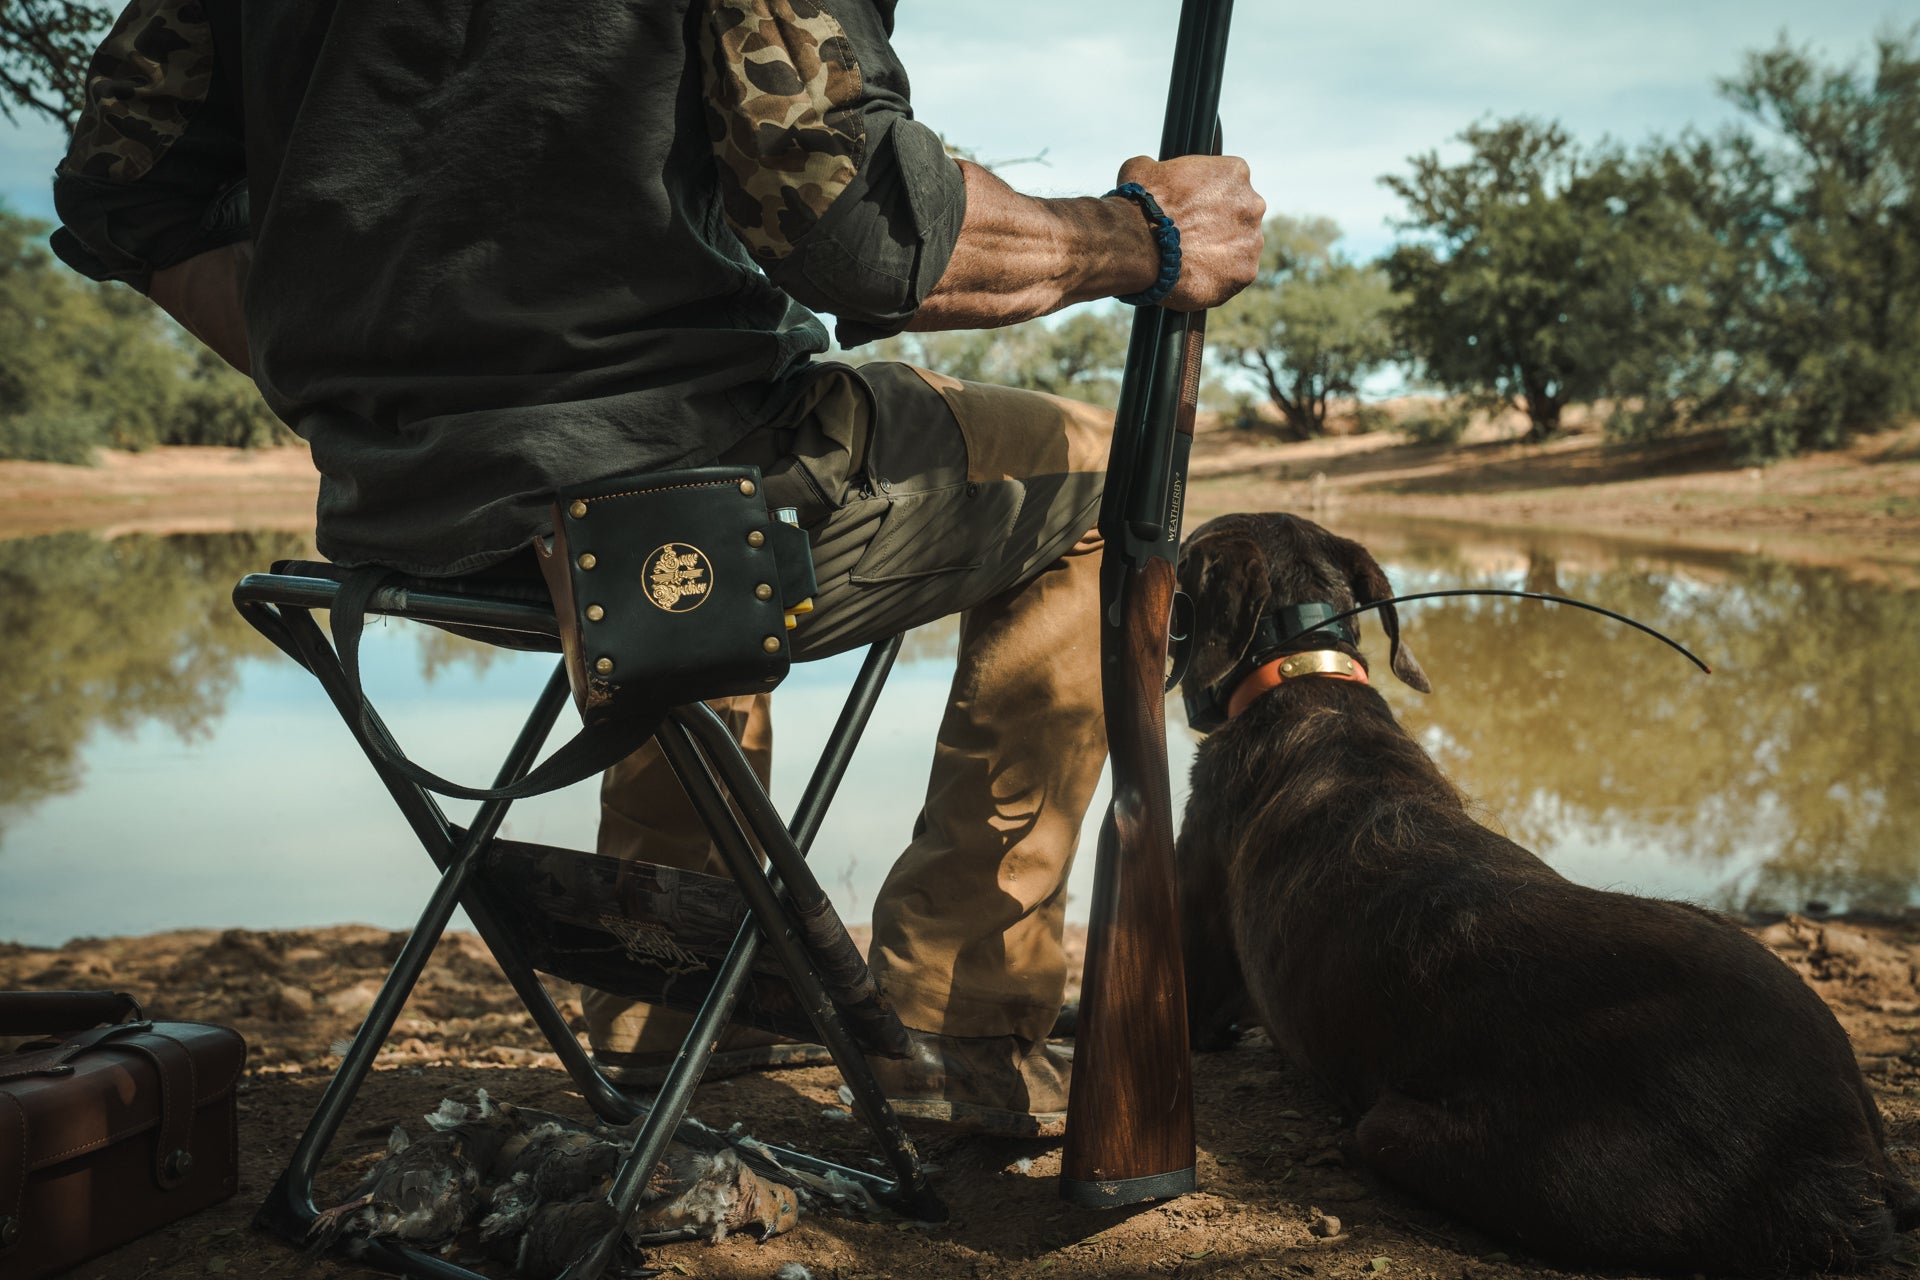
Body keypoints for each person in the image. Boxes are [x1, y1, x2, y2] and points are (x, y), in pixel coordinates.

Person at [50, 0, 1264, 1136]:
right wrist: (1145, 235)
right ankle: (967, 1016)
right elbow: (854, 223)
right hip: (655, 498)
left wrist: (367, 390)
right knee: (1095, 474)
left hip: (407, 514)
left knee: (681, 519)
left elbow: (123, 184)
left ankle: (671, 1010)